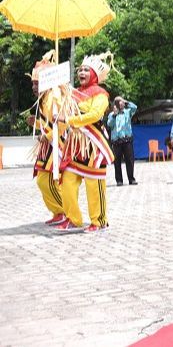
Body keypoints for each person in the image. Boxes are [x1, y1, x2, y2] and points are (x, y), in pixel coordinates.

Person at [55, 52, 116, 233]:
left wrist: (72, 120)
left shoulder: (101, 94)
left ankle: (99, 220)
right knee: (67, 182)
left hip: (92, 144)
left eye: (85, 70)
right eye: (80, 69)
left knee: (94, 184)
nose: (81, 72)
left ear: (94, 75)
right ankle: (73, 218)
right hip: (74, 145)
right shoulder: (73, 93)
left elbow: (95, 115)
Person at [27, 51, 65, 226]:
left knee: (47, 180)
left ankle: (64, 210)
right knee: (43, 181)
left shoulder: (55, 97)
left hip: (57, 144)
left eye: (37, 83)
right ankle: (58, 212)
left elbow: (62, 124)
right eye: (33, 83)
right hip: (48, 144)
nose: (33, 87)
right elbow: (46, 124)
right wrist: (35, 124)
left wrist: (47, 136)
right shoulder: (43, 100)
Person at [107, 96, 138, 186]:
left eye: (121, 102)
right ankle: (119, 180)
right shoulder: (111, 115)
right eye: (118, 102)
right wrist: (114, 115)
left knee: (130, 160)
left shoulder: (127, 112)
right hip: (116, 141)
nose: (120, 103)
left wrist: (126, 102)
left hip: (127, 139)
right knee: (117, 162)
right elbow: (109, 125)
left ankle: (131, 179)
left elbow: (135, 107)